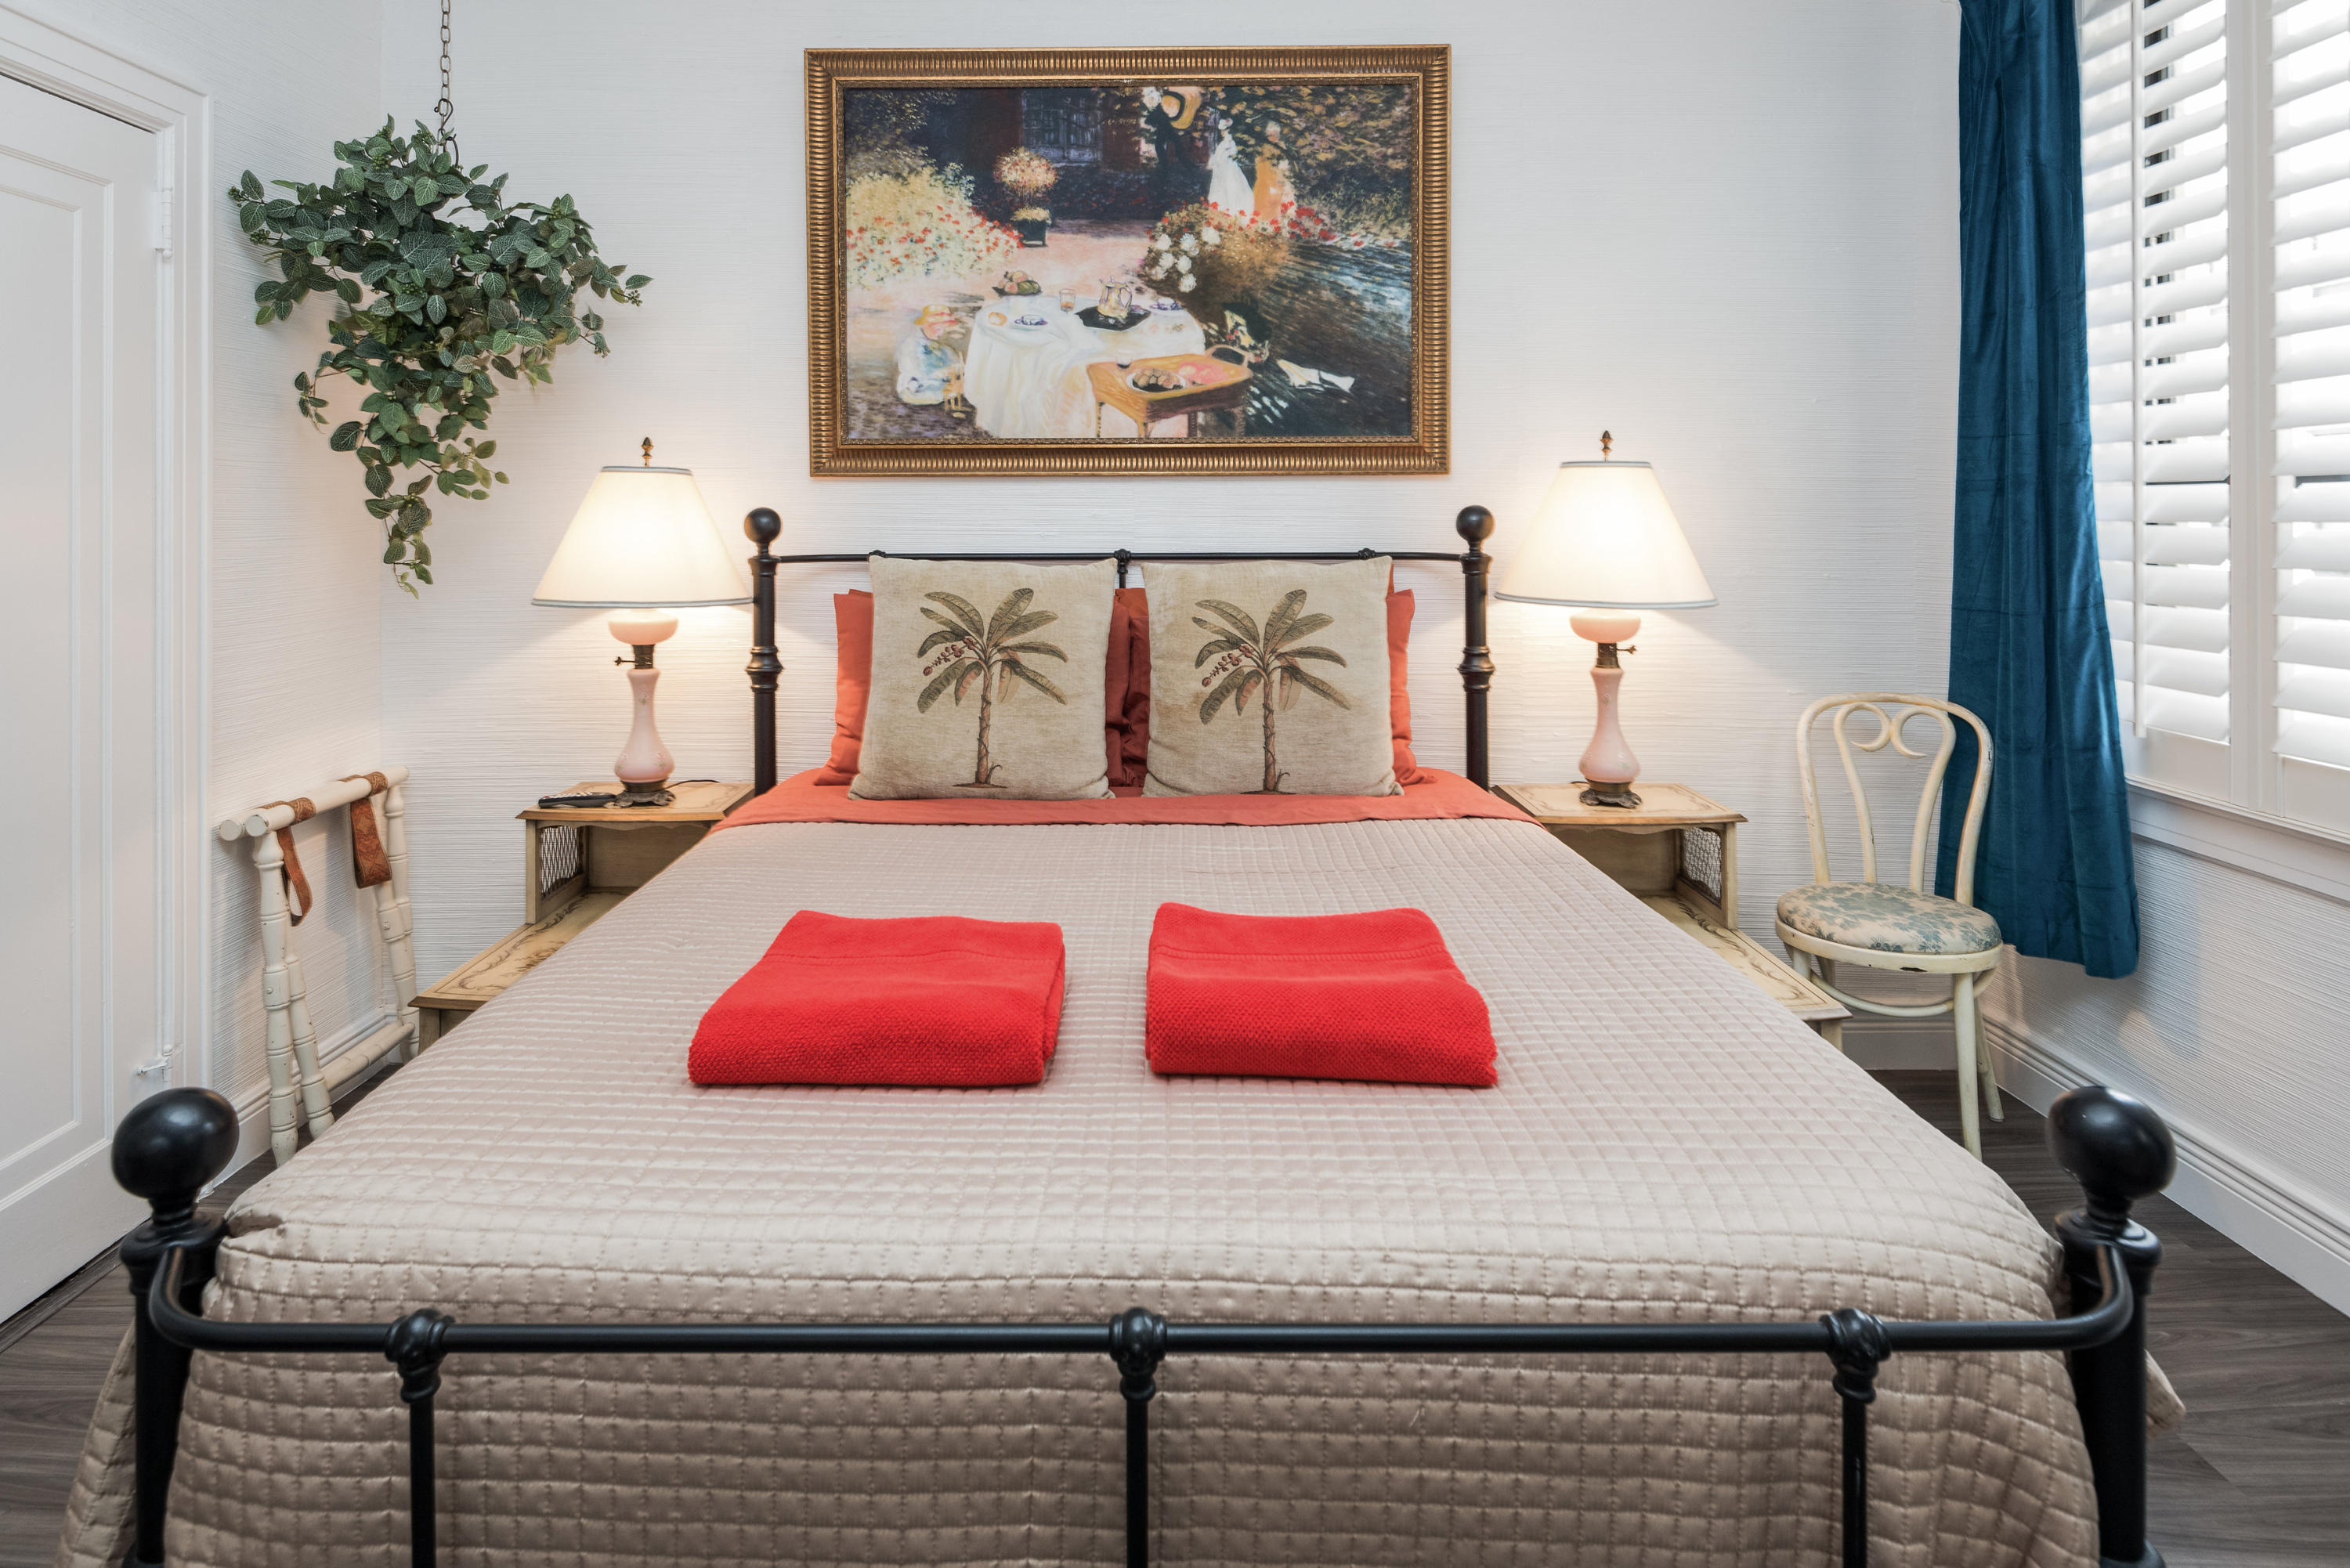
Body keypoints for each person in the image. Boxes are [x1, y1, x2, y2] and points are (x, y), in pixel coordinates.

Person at [894, 304, 961, 406]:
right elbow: (916, 373)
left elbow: (955, 362)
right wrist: (942, 373)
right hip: (915, 390)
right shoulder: (911, 345)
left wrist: (954, 369)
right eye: (938, 329)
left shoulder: (942, 348)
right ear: (926, 325)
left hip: (935, 386)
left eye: (944, 329)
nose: (941, 333)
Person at [1252, 119, 1297, 226]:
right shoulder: (1264, 149)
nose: (1274, 137)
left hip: (1282, 182)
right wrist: (1273, 185)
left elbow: (1286, 164)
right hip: (1268, 185)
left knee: (1284, 209)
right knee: (1267, 212)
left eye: (1276, 134)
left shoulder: (1281, 146)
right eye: (1271, 135)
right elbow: (1262, 170)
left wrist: (1285, 178)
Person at [1206, 117, 1253, 215]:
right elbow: (1218, 156)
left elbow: (1228, 156)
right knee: (1222, 190)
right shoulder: (1224, 143)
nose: (1222, 132)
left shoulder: (1230, 143)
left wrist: (1217, 163)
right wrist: (1214, 163)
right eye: (1222, 130)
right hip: (1222, 170)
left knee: (1230, 189)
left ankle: (1232, 212)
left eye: (1224, 130)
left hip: (1228, 170)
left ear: (1229, 130)